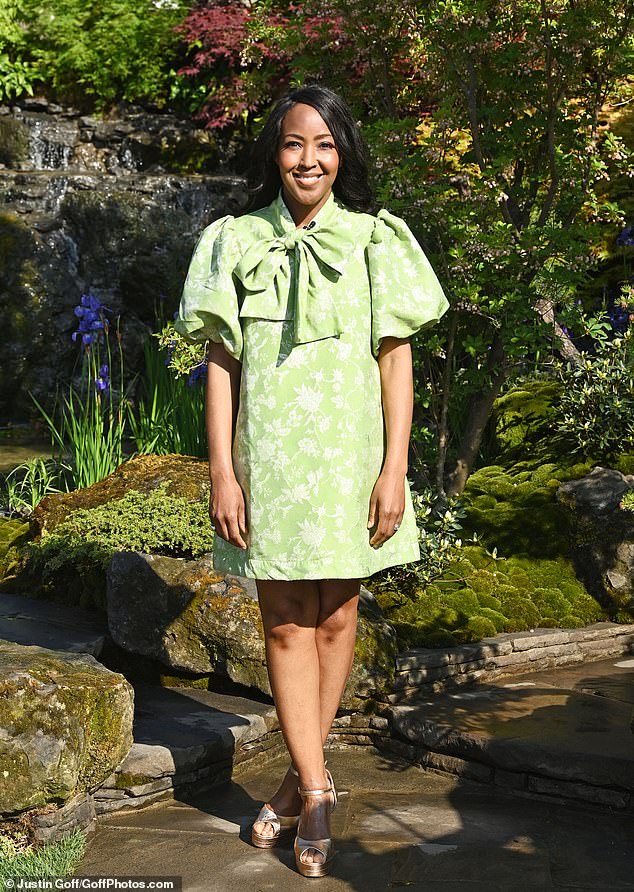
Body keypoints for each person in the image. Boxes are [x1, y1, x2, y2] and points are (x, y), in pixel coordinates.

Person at [174, 84, 449, 878]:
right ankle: (321, 788)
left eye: (325, 145)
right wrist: (222, 472)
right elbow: (220, 366)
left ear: (344, 155)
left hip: (351, 461)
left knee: (336, 616)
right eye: (295, 143)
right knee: (285, 623)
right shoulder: (233, 242)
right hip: (272, 463)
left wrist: (394, 468)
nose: (309, 159)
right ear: (274, 152)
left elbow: (395, 361)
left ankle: (300, 775)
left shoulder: (375, 240)